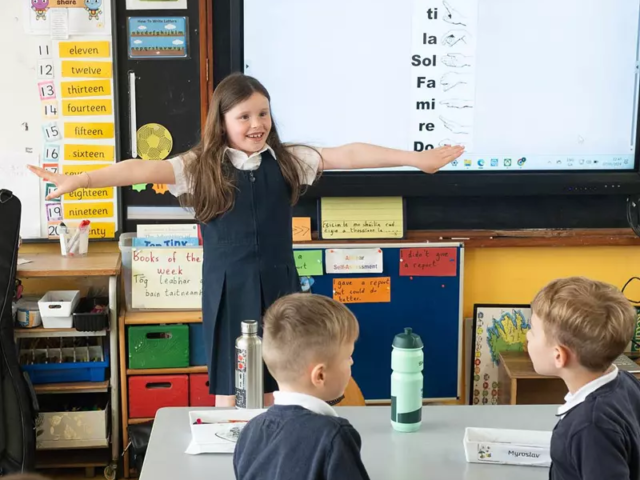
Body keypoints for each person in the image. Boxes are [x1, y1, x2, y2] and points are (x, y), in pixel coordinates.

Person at [27, 73, 464, 406]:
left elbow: (349, 153)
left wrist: (415, 160)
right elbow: (138, 168)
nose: (257, 124)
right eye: (244, 116)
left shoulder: (289, 160)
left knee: (283, 382)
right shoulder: (199, 166)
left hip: (281, 289)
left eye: (263, 113)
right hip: (227, 288)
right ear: (222, 120)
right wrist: (80, 179)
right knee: (232, 390)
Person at [233, 292, 369, 480]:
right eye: (348, 356)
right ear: (320, 375)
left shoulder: (250, 432)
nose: (352, 361)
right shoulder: (334, 437)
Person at [527, 276, 640, 480]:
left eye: (533, 332)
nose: (527, 336)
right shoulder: (625, 382)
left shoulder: (591, 427)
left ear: (559, 356)